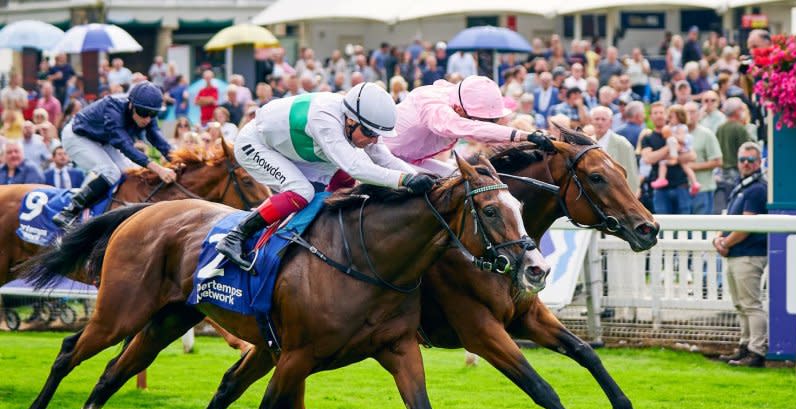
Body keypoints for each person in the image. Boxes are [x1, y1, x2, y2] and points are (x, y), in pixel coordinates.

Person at [215, 82, 428, 270]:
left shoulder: (356, 119)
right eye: (370, 133)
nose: (373, 140)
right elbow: (356, 167)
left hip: (293, 149)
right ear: (351, 121)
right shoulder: (325, 119)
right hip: (256, 145)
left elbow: (384, 159)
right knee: (301, 193)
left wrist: (424, 179)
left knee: (343, 179)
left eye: (377, 134)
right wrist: (404, 180)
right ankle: (236, 236)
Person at [51, 81, 176, 228]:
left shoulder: (145, 112)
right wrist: (160, 169)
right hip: (77, 136)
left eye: (153, 114)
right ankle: (69, 211)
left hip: (102, 140)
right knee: (111, 172)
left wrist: (177, 159)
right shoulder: (113, 109)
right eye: (143, 113)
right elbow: (126, 147)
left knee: (130, 172)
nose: (147, 119)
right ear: (131, 105)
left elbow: (158, 139)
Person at [383, 76, 554, 176]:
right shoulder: (436, 108)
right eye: (481, 119)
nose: (485, 124)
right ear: (459, 109)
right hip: (379, 158)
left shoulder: (456, 98)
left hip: (410, 159)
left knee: (461, 177)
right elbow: (472, 129)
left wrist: (533, 140)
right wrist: (526, 135)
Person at [715, 142, 768, 367]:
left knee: (750, 304)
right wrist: (718, 238)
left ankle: (756, 351)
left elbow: (746, 225)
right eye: (742, 160)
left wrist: (725, 241)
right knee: (740, 304)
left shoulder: (757, 188)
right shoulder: (741, 185)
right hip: (736, 252)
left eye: (750, 160)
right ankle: (745, 346)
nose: (746, 164)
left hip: (749, 253)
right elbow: (730, 218)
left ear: (759, 163)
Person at [640, 102, 696, 215]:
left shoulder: (678, 132)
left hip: (681, 186)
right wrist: (669, 147)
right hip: (660, 190)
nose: (659, 115)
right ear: (651, 117)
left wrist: (667, 157)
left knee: (685, 225)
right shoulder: (647, 138)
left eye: (661, 112)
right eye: (655, 113)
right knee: (663, 225)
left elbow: (692, 156)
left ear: (667, 115)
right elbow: (648, 159)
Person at [650, 105, 701, 197]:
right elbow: (648, 159)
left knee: (663, 162)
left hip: (681, 152)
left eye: (671, 117)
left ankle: (662, 179)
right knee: (685, 167)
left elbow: (684, 142)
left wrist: (671, 134)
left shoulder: (681, 127)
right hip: (678, 152)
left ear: (679, 117)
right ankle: (694, 183)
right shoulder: (651, 135)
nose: (669, 119)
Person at [715, 97, 751, 214]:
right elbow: (748, 149)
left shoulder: (720, 128)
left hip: (721, 172)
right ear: (737, 111)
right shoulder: (740, 128)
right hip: (735, 171)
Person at [685, 102, 722, 214]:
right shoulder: (676, 133)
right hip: (682, 189)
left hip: (703, 188)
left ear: (698, 114)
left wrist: (692, 167)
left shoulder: (707, 134)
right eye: (686, 112)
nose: (689, 115)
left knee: (702, 229)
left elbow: (718, 161)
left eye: (693, 112)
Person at [591, 106, 638, 194]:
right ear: (591, 121)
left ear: (610, 122)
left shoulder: (622, 143)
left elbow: (631, 174)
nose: (599, 122)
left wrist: (632, 196)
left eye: (603, 119)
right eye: (596, 119)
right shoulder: (588, 142)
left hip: (618, 195)